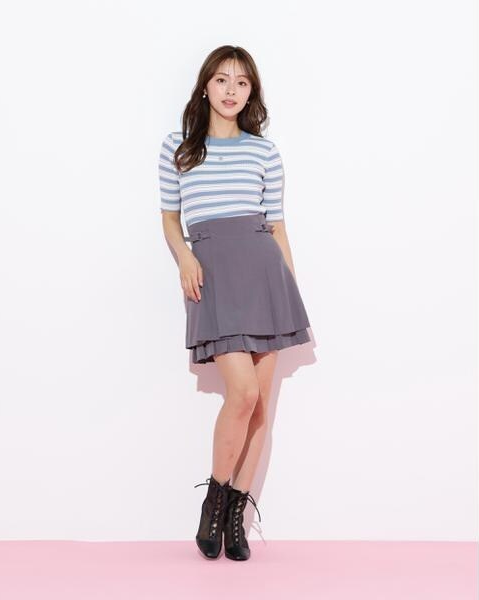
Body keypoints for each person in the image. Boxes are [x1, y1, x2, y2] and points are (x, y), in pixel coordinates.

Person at [158, 45, 312, 561]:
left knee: (261, 406)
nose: (231, 90)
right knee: (241, 393)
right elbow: (169, 218)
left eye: (242, 82)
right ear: (205, 86)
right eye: (222, 79)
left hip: (266, 274)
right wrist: (183, 257)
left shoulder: (264, 152)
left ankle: (236, 518)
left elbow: (277, 226)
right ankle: (214, 502)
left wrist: (290, 290)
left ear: (251, 92)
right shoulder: (179, 147)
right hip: (214, 276)